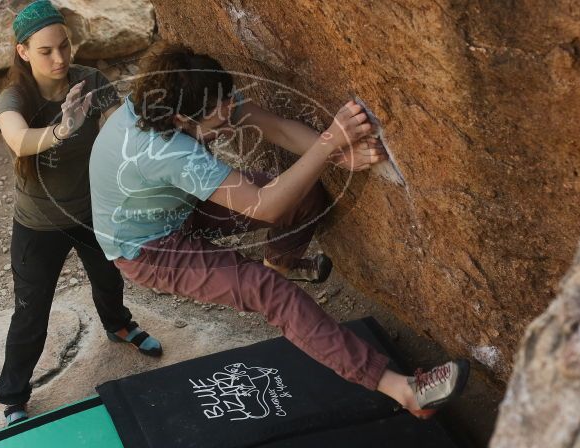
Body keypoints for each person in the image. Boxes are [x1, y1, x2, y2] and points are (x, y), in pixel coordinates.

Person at [88, 43, 469, 419]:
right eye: (217, 127)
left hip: (176, 207)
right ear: (181, 121)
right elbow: (265, 205)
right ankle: (404, 391)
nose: (225, 128)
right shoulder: (169, 152)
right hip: (149, 250)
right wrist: (330, 142)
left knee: (303, 196)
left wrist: (340, 155)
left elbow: (277, 129)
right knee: (273, 294)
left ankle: (279, 266)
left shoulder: (187, 95)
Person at [0, 0, 162, 426]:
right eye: (46, 50)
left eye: (64, 46)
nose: (60, 58)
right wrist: (63, 129)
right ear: (23, 52)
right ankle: (14, 397)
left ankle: (118, 325)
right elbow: (19, 140)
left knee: (108, 276)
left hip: (91, 212)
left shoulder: (90, 80)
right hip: (37, 225)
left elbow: (119, 130)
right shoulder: (13, 98)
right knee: (32, 312)